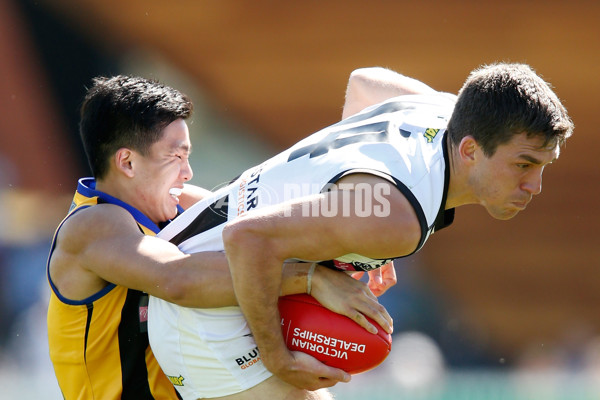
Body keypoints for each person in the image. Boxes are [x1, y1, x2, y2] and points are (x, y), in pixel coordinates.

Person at [147, 62, 574, 398]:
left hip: (219, 267)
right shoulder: (391, 218)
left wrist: (352, 230)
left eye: (542, 167)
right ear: (470, 150)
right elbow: (246, 238)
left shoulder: (445, 110)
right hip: (200, 312)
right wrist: (278, 358)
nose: (534, 186)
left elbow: (364, 84)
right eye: (523, 165)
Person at [46, 75, 393, 400]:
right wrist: (311, 279)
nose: (188, 171)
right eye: (176, 156)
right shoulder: (91, 225)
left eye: (188, 155)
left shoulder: (176, 202)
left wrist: (356, 250)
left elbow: (280, 218)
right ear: (128, 163)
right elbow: (179, 279)